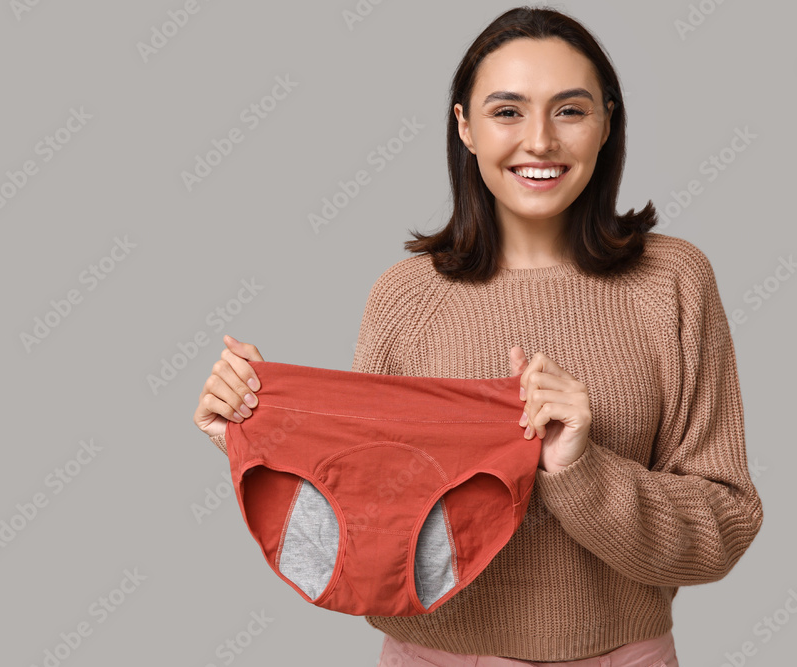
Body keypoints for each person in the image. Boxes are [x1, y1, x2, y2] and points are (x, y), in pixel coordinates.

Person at [192, 5, 763, 665]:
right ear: (464, 126)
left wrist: (581, 468)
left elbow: (723, 530)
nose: (540, 141)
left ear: (608, 122)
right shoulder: (404, 298)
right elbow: (371, 546)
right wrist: (257, 434)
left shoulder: (673, 281)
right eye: (507, 111)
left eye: (571, 110)